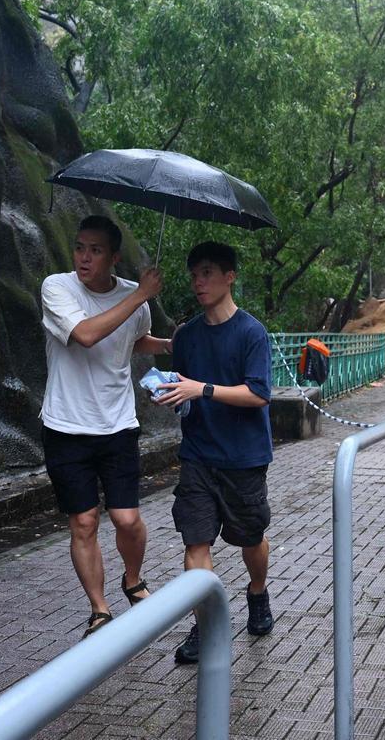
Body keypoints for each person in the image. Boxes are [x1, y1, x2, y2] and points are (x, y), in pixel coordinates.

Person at [40, 215, 172, 638]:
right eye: (80, 247)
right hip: (65, 426)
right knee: (83, 522)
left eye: (96, 250)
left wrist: (172, 344)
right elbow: (86, 334)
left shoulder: (134, 298)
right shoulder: (57, 288)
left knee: (127, 519)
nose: (84, 257)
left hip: (117, 425)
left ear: (113, 257)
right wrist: (141, 297)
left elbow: (134, 340)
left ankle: (132, 579)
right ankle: (99, 609)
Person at [156, 241, 274, 664]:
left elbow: (259, 394)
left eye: (207, 272)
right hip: (198, 456)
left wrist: (200, 389)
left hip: (243, 457)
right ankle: (205, 626)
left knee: (251, 538)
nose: (198, 282)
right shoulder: (187, 334)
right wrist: (170, 390)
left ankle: (257, 593)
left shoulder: (251, 332)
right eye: (193, 275)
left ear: (229, 277)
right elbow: (179, 376)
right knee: (195, 542)